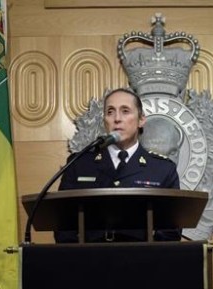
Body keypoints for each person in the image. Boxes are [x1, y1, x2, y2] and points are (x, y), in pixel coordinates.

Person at [56, 88, 181, 242]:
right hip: (88, 259)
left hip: (143, 260)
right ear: (104, 121)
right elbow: (63, 226)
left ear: (141, 120)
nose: (117, 119)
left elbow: (170, 232)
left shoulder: (162, 169)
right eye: (110, 112)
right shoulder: (79, 164)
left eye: (125, 111)